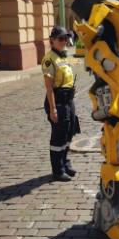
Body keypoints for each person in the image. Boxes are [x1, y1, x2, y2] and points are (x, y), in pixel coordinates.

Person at [42, 26, 80, 182]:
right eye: (61, 39)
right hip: (57, 100)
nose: (64, 41)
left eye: (66, 38)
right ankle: (57, 170)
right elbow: (49, 87)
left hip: (68, 100)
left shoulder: (64, 56)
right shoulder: (49, 59)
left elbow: (79, 62)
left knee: (69, 131)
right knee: (59, 136)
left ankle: (65, 162)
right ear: (52, 40)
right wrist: (53, 109)